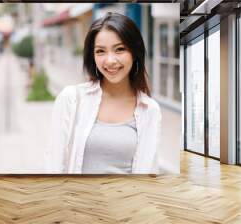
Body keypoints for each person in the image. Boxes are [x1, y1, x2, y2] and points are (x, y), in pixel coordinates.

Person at [46, 12, 162, 174]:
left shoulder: (150, 109)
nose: (110, 60)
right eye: (100, 51)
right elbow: (54, 165)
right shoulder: (71, 98)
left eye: (120, 49)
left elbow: (148, 172)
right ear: (92, 56)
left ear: (135, 52)